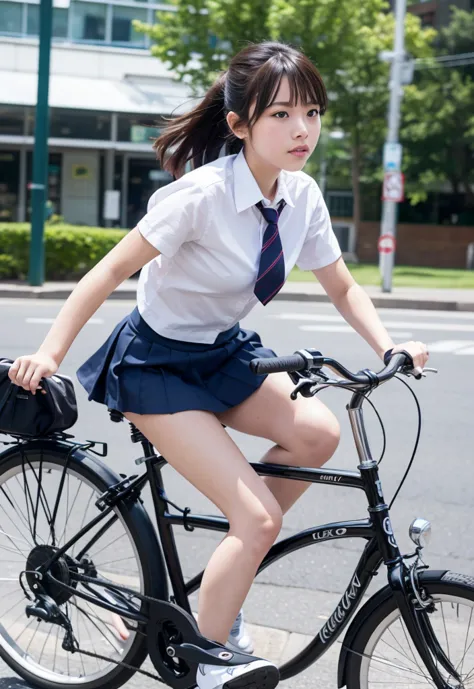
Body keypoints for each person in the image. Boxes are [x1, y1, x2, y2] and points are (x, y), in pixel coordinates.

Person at [8, 41, 428, 689]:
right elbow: (108, 272)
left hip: (222, 351)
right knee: (258, 516)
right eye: (282, 115)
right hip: (155, 363)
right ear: (239, 125)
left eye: (312, 113)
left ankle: (223, 576)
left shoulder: (303, 196)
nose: (303, 131)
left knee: (316, 433)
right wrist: (50, 352)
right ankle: (210, 654)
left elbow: (342, 285)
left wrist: (389, 346)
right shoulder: (198, 196)